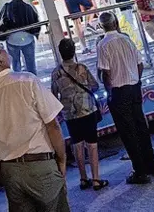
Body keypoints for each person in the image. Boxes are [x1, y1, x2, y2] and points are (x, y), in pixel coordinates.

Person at [0, 42, 70, 212]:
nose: (5, 49)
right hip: (40, 164)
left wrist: (2, 172)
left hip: (10, 170)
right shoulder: (27, 80)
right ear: (0, 61)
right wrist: (61, 159)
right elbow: (52, 125)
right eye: (1, 49)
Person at [95, 11, 154, 184]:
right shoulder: (127, 40)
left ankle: (140, 171)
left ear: (101, 26)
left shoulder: (103, 45)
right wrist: (136, 80)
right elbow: (140, 64)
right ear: (115, 23)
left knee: (128, 131)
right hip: (134, 87)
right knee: (141, 126)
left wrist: (109, 90)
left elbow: (105, 72)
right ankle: (152, 164)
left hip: (118, 91)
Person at [49, 38, 106, 191]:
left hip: (70, 114)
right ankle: (96, 179)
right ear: (74, 52)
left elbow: (53, 95)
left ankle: (83, 178)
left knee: (77, 145)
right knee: (92, 145)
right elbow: (95, 86)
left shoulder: (56, 73)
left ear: (60, 53)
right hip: (87, 110)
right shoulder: (82, 68)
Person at [0, 0, 42, 74]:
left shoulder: (7, 7)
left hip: (12, 40)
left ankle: (18, 81)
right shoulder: (28, 7)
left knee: (16, 67)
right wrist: (36, 35)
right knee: (31, 66)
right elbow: (36, 23)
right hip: (28, 39)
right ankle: (33, 80)